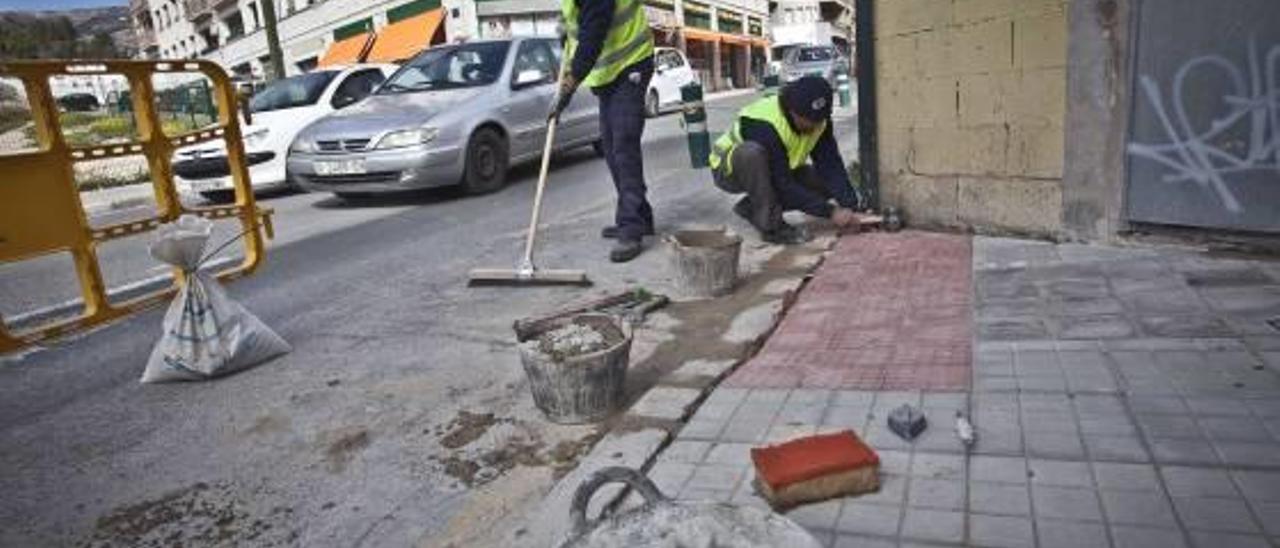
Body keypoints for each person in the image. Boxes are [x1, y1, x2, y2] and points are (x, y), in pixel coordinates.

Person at [548, 0, 655, 263]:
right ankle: (641, 217)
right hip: (608, 74)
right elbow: (575, 23)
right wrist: (564, 31)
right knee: (610, 148)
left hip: (631, 63)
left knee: (623, 144)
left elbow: (592, 37)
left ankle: (631, 228)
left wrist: (567, 89)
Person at [708, 76, 865, 244]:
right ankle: (772, 228)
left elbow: (830, 165)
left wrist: (850, 206)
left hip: (777, 169)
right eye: (810, 121)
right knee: (752, 153)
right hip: (729, 171)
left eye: (820, 120)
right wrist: (831, 212)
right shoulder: (763, 124)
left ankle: (753, 208)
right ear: (792, 111)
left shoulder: (820, 122)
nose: (815, 127)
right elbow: (782, 184)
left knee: (826, 185)